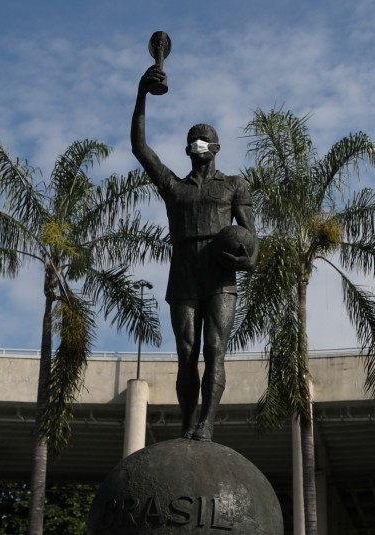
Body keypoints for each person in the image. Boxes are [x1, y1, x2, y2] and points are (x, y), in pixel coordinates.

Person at [131, 64, 257, 441]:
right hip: (184, 271)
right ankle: (187, 422)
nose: (198, 144)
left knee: (215, 349)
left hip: (220, 274)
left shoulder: (235, 185)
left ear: (216, 147)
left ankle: (207, 423)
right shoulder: (174, 186)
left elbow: (252, 236)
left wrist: (249, 260)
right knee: (187, 353)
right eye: (193, 140)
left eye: (204, 139)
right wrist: (141, 96)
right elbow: (140, 148)